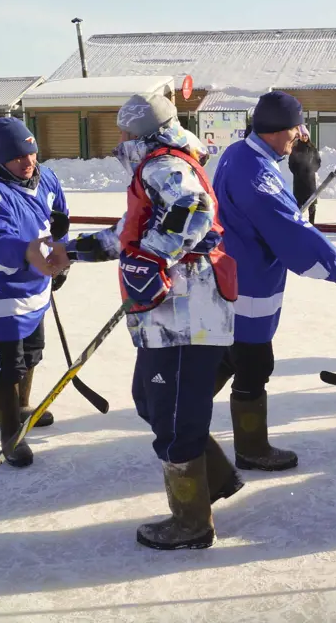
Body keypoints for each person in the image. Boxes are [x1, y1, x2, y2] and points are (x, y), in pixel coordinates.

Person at [67, 93, 239, 550]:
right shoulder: (154, 168)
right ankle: (215, 480)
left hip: (188, 314)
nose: (119, 139)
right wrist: (70, 250)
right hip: (168, 314)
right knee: (150, 399)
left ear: (138, 131)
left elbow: (195, 211)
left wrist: (152, 257)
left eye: (123, 131)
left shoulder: (162, 165)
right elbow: (131, 234)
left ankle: (191, 523)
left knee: (174, 416)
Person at [214, 91, 336, 472]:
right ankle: (249, 448)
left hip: (231, 281)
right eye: (296, 126)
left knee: (226, 358)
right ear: (275, 129)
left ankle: (179, 412)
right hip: (248, 286)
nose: (300, 134)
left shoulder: (240, 154)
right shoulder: (256, 173)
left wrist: (301, 178)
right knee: (253, 364)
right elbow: (291, 231)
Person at [0, 118, 71, 468]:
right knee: (5, 365)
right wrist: (29, 253)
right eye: (18, 159)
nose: (28, 163)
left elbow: (58, 215)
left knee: (33, 352)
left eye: (32, 153)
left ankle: (23, 406)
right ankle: (10, 434)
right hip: (5, 292)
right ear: (1, 158)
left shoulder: (45, 176)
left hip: (37, 285)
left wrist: (58, 249)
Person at [287, 125, 321, 224]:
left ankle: (312, 222)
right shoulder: (295, 148)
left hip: (310, 179)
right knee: (299, 202)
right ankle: (298, 222)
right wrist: (297, 172)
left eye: (306, 135)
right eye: (303, 135)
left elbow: (318, 161)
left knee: (311, 201)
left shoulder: (312, 148)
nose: (304, 137)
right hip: (299, 180)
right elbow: (291, 163)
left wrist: (312, 170)